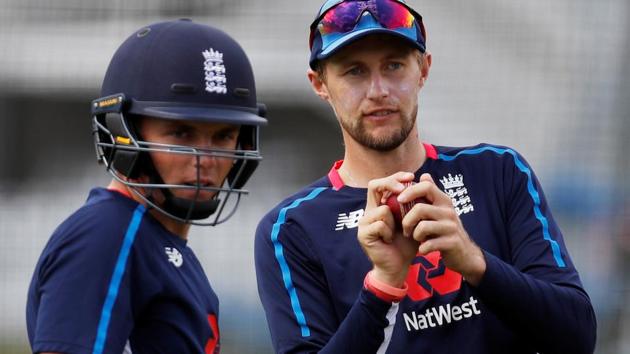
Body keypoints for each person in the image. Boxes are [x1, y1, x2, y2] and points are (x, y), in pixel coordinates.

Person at [254, 1, 596, 353]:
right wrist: (383, 285)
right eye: (354, 71)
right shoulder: (291, 228)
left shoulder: (498, 171)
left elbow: (578, 335)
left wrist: (473, 262)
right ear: (319, 84)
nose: (378, 91)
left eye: (394, 65)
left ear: (423, 69)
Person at [26, 19, 266, 354]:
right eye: (182, 133)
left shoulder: (159, 244)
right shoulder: (106, 234)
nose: (206, 158)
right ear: (123, 134)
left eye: (224, 135)